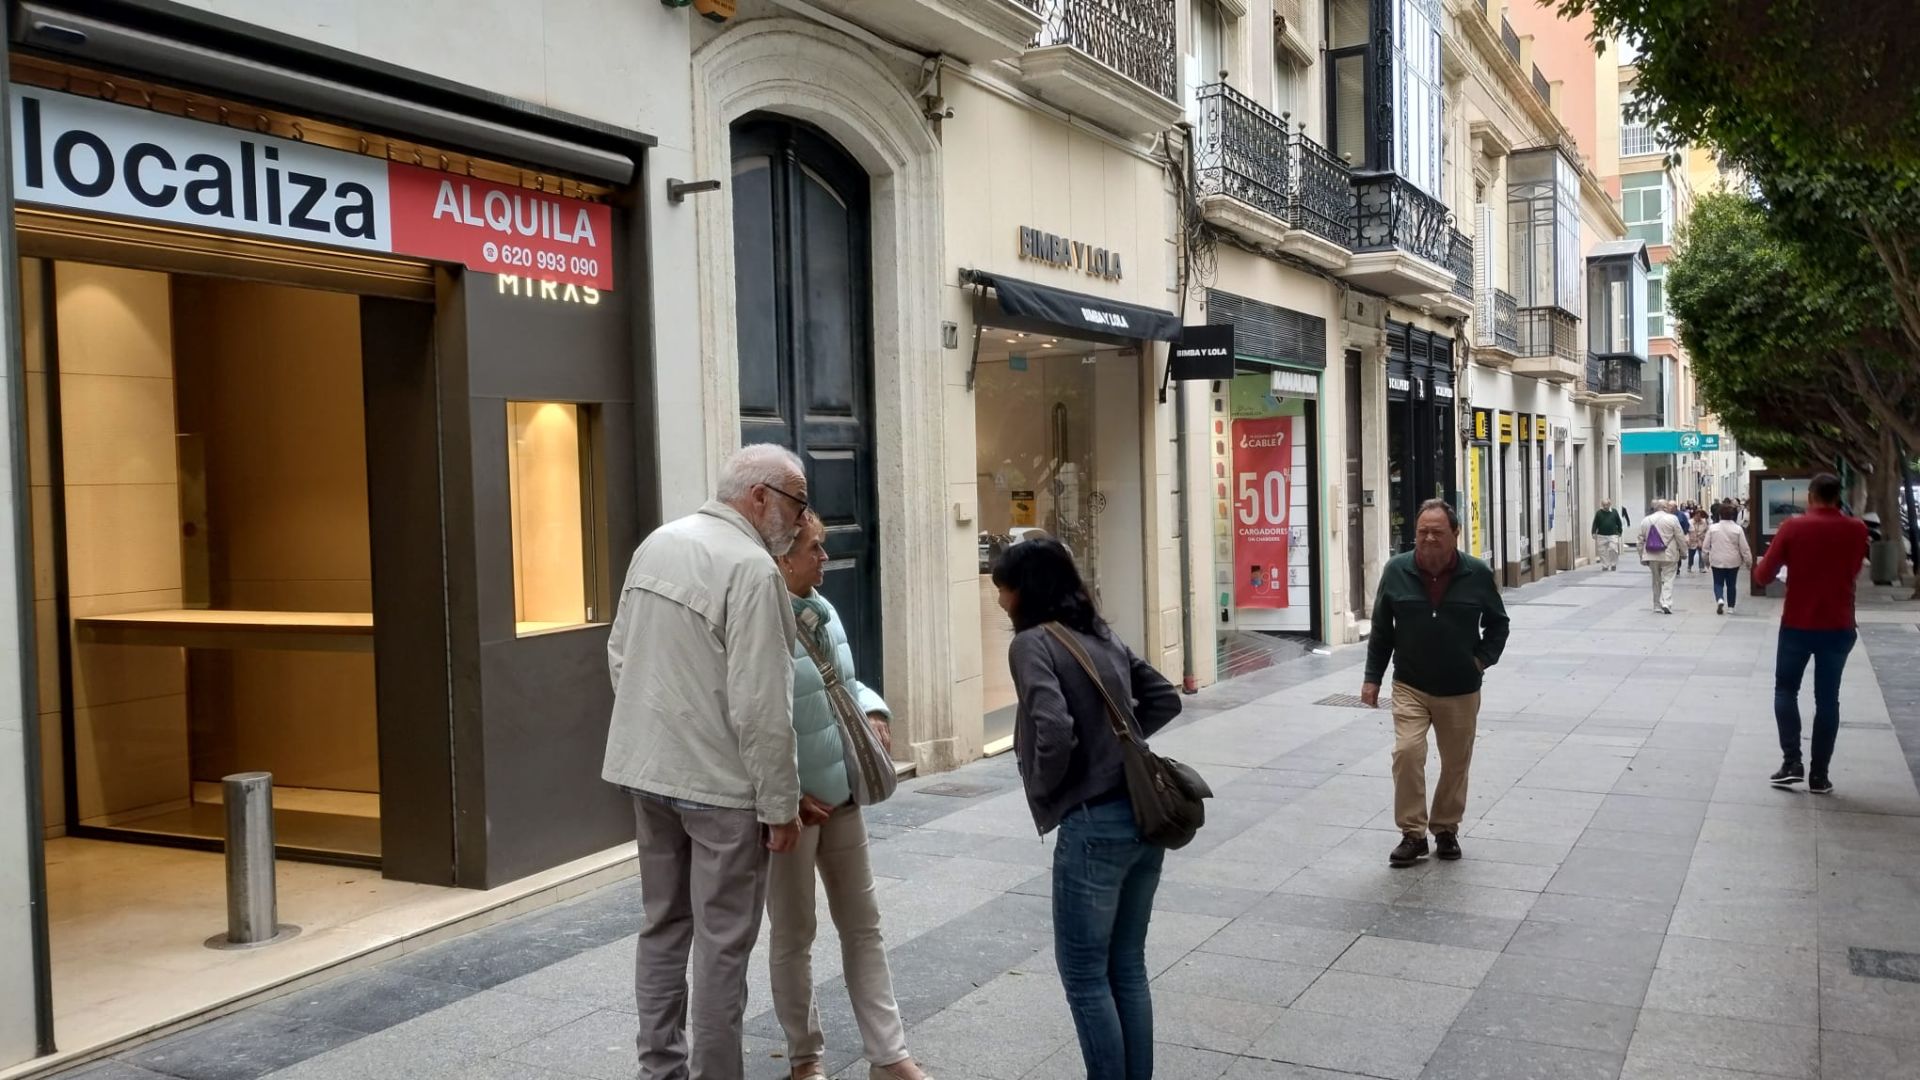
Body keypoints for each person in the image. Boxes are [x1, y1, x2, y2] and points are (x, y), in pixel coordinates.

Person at [604, 443, 810, 1080]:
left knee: (663, 927)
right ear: (759, 498)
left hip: (649, 773)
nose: (802, 521)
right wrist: (780, 807)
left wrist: (662, 732)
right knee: (722, 948)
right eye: (797, 504)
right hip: (720, 789)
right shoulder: (751, 567)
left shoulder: (658, 543)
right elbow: (762, 706)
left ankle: (659, 1071)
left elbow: (620, 655)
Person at [994, 538, 1181, 1080]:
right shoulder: (1098, 632)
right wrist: (1114, 749)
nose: (1000, 599)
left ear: (1024, 590)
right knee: (1126, 966)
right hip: (1144, 817)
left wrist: (1053, 786)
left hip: (1093, 823)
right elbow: (1163, 696)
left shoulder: (1032, 644)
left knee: (1083, 974)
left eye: (1003, 587)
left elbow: (1053, 728)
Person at [766, 513, 927, 1080]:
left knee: (864, 925)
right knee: (794, 934)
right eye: (816, 548)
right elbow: (749, 717)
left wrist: (876, 708)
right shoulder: (761, 618)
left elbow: (845, 681)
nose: (825, 559)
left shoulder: (824, 610)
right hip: (793, 808)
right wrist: (783, 794)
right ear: (784, 557)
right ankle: (805, 1057)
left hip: (844, 795)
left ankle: (889, 1054)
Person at [1361, 500, 1511, 868]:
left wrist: (1479, 660)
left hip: (1460, 686)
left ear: (1455, 534)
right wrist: (1372, 679)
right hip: (1410, 683)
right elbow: (1382, 629)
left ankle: (1445, 828)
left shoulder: (1476, 573)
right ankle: (1412, 834)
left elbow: (1498, 623)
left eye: (1437, 532)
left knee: (1456, 762)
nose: (1428, 538)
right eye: (1422, 531)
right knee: (1408, 753)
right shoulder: (1396, 570)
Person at [1755, 473, 1871, 794]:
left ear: (1810, 496)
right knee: (1828, 700)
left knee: (1785, 691)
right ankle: (1820, 775)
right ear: (1839, 497)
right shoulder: (1857, 529)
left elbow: (1764, 576)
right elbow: (1854, 570)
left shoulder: (1793, 527)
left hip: (1798, 625)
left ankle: (1792, 761)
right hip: (1839, 626)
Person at [1703, 503, 1753, 615]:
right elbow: (1744, 548)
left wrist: (1706, 561)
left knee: (1718, 583)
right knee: (1731, 584)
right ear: (1732, 516)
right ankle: (1731, 607)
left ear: (1720, 515)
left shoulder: (1713, 528)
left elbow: (1705, 547)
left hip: (1717, 560)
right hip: (1733, 561)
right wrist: (1749, 562)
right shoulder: (1738, 529)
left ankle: (1720, 598)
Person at [1638, 500, 1686, 614]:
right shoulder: (1672, 519)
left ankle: (1656, 605)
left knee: (1656, 580)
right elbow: (1680, 536)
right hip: (1669, 554)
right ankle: (1666, 602)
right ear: (1665, 508)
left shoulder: (1645, 520)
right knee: (1668, 578)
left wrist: (1641, 556)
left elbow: (1640, 540)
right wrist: (1684, 552)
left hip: (1651, 554)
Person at [1591, 499, 1625, 571]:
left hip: (1613, 534)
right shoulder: (1599, 513)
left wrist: (1620, 531)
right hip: (1601, 535)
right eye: (1603, 505)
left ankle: (1613, 564)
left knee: (1613, 549)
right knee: (1602, 551)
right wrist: (1593, 532)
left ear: (1610, 504)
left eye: (1606, 505)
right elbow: (1595, 523)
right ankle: (1605, 565)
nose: (1605, 506)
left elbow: (1619, 522)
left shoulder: (1614, 512)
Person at [1687, 505, 1710, 574]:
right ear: (1694, 515)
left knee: (1701, 555)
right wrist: (1687, 539)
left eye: (1700, 516)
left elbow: (1707, 531)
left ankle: (1701, 567)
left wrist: (1705, 538)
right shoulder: (1690, 522)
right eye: (1697, 516)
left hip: (1701, 541)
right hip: (1692, 541)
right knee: (1691, 555)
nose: (1699, 518)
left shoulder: (1704, 522)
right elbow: (1687, 532)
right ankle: (1689, 566)